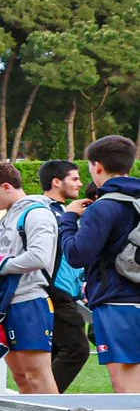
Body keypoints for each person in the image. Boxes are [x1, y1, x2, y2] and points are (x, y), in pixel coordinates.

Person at [0, 162, 60, 395]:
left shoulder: (37, 213)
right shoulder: (6, 218)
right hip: (5, 303)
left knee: (37, 377)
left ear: (6, 186)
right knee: (21, 378)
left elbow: (39, 257)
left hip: (30, 301)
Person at [67, 136, 140, 394]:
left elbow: (77, 255)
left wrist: (68, 220)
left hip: (117, 301)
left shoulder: (104, 207)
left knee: (126, 386)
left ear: (97, 166)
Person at [39, 159, 93, 392]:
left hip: (68, 292)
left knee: (57, 351)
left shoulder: (65, 212)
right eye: (75, 179)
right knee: (76, 349)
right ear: (56, 182)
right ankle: (44, 401)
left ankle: (38, 402)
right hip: (55, 291)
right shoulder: (45, 212)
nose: (80, 184)